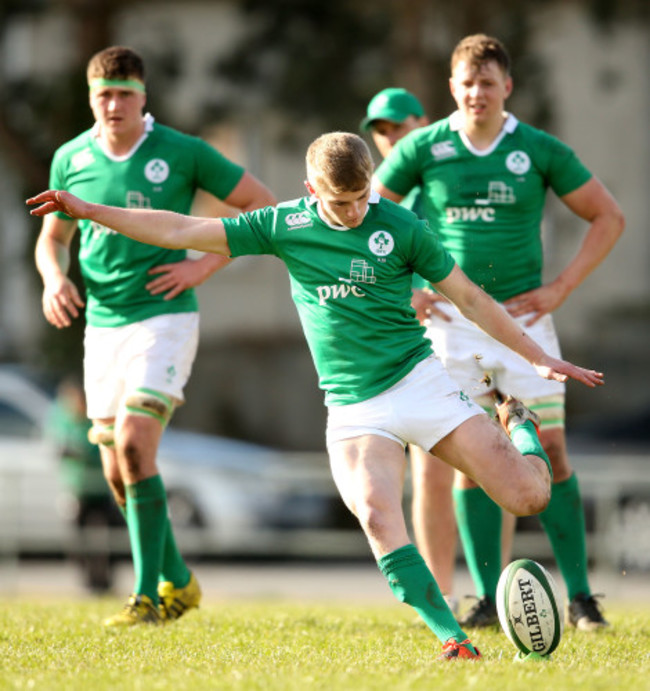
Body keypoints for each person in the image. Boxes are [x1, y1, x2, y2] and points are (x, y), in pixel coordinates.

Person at [28, 131, 605, 659]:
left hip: (422, 383)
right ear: (310, 191)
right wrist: (87, 211)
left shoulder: (402, 226)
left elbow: (473, 300)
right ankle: (452, 640)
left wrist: (538, 358)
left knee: (529, 497)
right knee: (379, 515)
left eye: (361, 199)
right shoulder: (285, 224)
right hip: (354, 409)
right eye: (339, 203)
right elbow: (179, 229)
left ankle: (519, 424)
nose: (353, 213)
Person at [373, 34, 625, 631]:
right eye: (466, 83)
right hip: (455, 329)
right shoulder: (425, 147)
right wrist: (408, 289)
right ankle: (487, 599)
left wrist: (560, 289)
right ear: (451, 88)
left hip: (525, 324)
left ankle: (584, 599)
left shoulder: (537, 149)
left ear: (506, 86)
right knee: (474, 462)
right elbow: (366, 213)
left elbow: (608, 216)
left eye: (487, 83)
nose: (476, 93)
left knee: (554, 453)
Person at [33, 45, 276, 627]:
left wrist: (201, 265)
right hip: (103, 325)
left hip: (164, 318)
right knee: (117, 468)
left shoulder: (183, 152)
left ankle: (148, 597)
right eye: (102, 94)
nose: (113, 104)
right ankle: (181, 579)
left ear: (144, 96)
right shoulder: (70, 157)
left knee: (138, 445)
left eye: (123, 93)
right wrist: (51, 279)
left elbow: (261, 207)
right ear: (91, 98)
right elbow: (53, 239)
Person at [361, 88, 461, 611]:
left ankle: (492, 589)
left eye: (399, 125)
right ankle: (443, 592)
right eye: (381, 129)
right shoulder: (379, 198)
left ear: (424, 123)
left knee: (486, 465)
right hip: (421, 342)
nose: (390, 137)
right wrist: (409, 294)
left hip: (469, 325)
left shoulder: (441, 178)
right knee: (431, 471)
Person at [47, 376, 123, 593]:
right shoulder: (60, 417)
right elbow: (54, 443)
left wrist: (81, 452)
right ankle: (88, 579)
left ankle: (105, 578)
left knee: (110, 536)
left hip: (100, 488)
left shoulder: (95, 417)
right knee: (78, 538)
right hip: (76, 488)